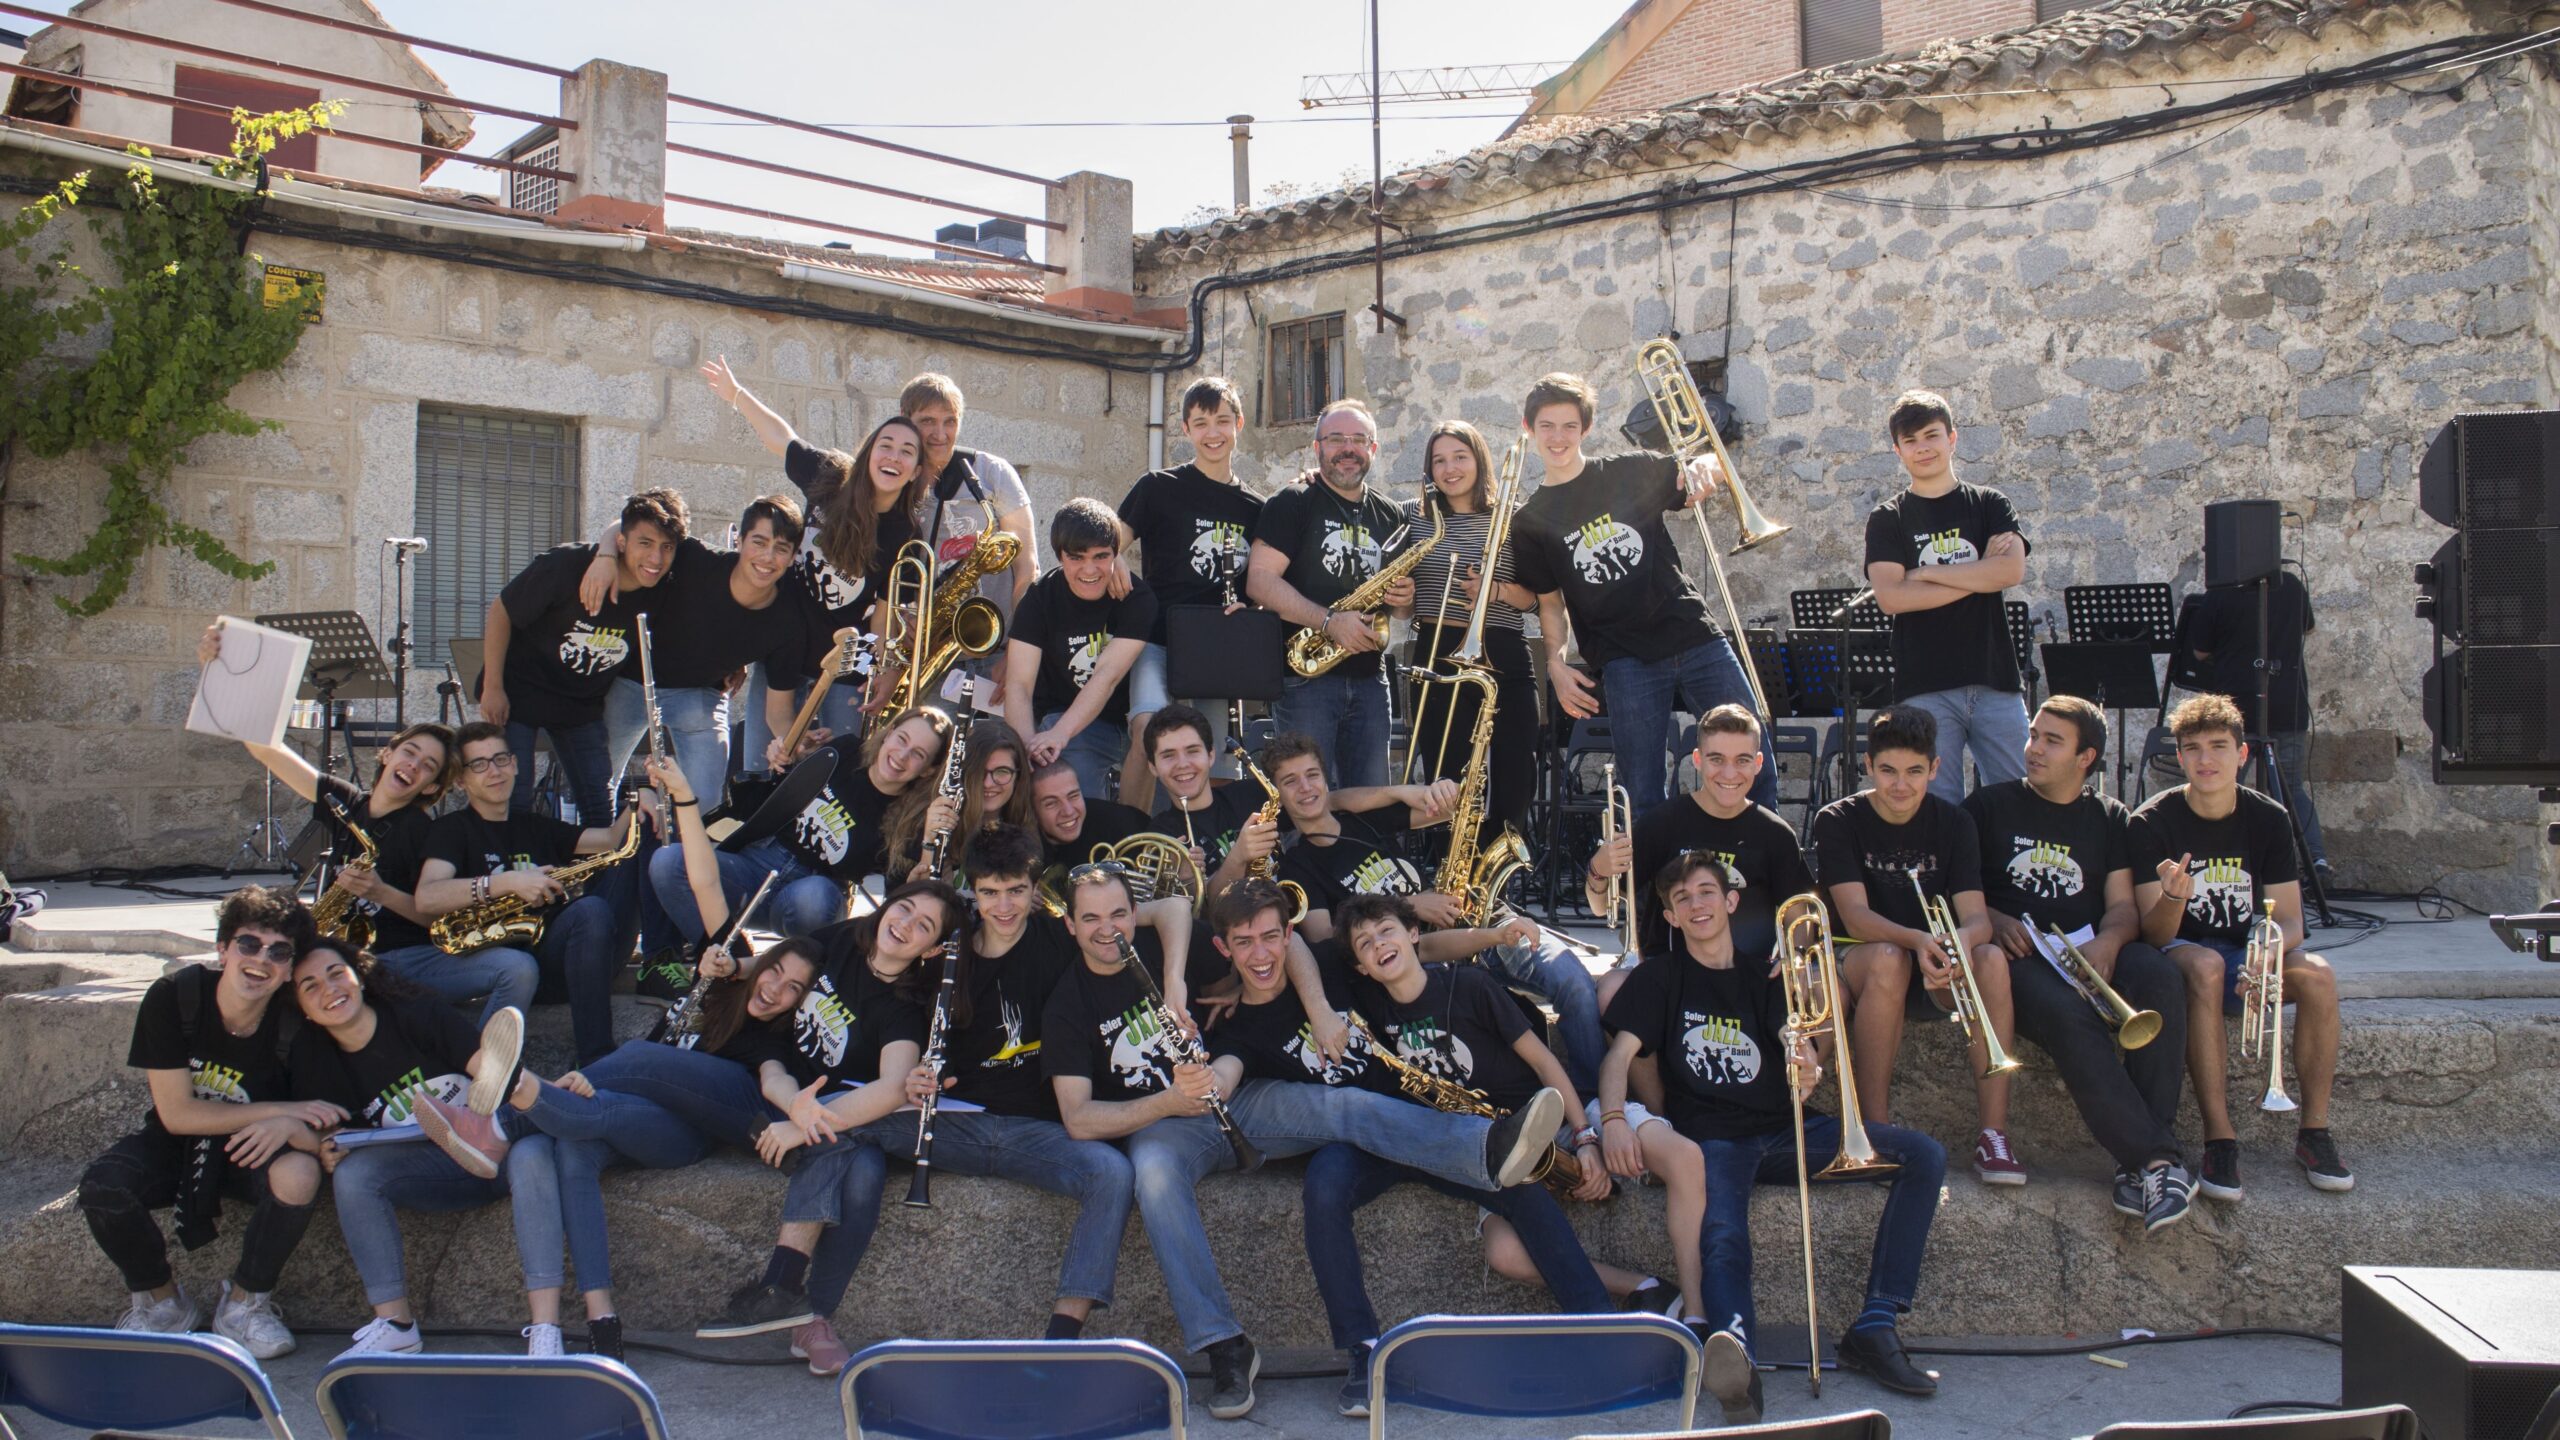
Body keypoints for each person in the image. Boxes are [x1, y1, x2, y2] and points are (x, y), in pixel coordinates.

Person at [1043, 867, 1564, 1420]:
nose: (1109, 929)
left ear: (1134, 912)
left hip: (1242, 1091)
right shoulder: (1067, 1004)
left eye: (1119, 913)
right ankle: (1224, 1347)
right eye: (1092, 918)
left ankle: (1483, 1148)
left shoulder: (1162, 937)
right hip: (1165, 1121)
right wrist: (1171, 1102)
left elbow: (1265, 934)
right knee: (1153, 1178)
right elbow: (1079, 1120)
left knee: (1342, 1107)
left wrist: (1178, 985)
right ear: (1070, 926)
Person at [1201, 880, 1631, 1418]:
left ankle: (1598, 1328)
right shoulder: (1237, 1023)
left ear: (1288, 936)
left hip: (1427, 1121)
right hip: (1359, 1143)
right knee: (1324, 1190)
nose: (1261, 953)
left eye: (1271, 938)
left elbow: (1421, 947)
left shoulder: (1332, 968)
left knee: (1517, 1186)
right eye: (1244, 943)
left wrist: (1493, 936)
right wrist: (1207, 1081)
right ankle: (1361, 1352)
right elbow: (1230, 1066)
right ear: (1225, 949)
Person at [1600, 854, 1948, 1421]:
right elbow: (1619, 1056)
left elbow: (1796, 1039)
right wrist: (1614, 1120)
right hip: (1715, 1140)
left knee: (1925, 1155)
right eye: (1682, 898)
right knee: (1723, 1235)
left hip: (1788, 1130)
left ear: (1731, 901)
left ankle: (1876, 1324)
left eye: (1706, 892)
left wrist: (1806, 1062)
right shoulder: (1661, 976)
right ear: (1670, 914)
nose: (1697, 905)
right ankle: (1737, 1355)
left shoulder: (1763, 972)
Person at [841, 826, 1145, 1347]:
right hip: (962, 1122)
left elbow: (1167, 914)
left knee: (1113, 1174)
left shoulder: (1062, 938)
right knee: (844, 1126)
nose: (1003, 907)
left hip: (1040, 1131)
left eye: (1016, 892)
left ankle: (1062, 1338)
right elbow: (899, 1027)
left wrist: (1182, 981)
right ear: (971, 891)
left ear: (1035, 890)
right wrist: (914, 1075)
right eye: (988, 893)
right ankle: (797, 1290)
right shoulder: (944, 956)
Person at [1264, 731, 1610, 1099]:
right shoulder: (1297, 868)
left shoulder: (1360, 819)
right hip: (1422, 959)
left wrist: (1430, 790)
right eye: (1290, 781)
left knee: (1573, 980)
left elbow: (1452, 809)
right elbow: (1324, 939)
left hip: (1475, 919)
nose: (1305, 788)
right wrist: (1412, 907)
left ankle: (1594, 1102)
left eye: (1312, 775)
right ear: (1278, 795)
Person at [691, 890, 950, 1371]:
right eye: (904, 910)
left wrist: (800, 1124)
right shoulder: (844, 939)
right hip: (770, 1077)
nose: (905, 925)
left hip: (827, 1115)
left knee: (865, 1170)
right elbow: (781, 961)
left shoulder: (902, 1009)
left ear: (931, 950)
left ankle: (797, 1301)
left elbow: (896, 1089)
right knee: (844, 1146)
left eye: (925, 927)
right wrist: (733, 969)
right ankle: (794, 1300)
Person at [1966, 696, 2196, 1230]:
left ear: (2085, 757)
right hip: (2018, 958)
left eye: (2051, 741)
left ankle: (2139, 1161)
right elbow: (1964, 894)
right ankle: (2158, 1161)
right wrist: (1997, 919)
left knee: (2160, 976)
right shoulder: (1988, 806)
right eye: (2033, 736)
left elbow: (2121, 907)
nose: (2034, 749)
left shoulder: (2110, 817)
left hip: (2090, 950)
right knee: (2070, 1016)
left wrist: (2110, 946)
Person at [75, 887, 332, 1358]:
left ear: (291, 969)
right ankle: (162, 1303)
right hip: (178, 1140)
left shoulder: (297, 1021)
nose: (261, 960)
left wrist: (290, 1125)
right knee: (102, 1188)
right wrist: (279, 1110)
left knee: (300, 1173)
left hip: (251, 1148)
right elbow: (177, 1115)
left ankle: (243, 1306)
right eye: (248, 944)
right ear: (222, 948)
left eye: (279, 952)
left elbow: (321, 1120)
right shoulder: (175, 996)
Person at [1506, 372, 1779, 814]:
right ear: (1528, 428)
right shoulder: (1530, 520)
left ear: (1586, 429)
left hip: (1693, 635)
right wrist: (1555, 663)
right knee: (1642, 791)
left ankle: (1765, 875)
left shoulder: (1629, 471)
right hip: (1624, 659)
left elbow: (1696, 468)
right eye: (1547, 426)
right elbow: (1551, 602)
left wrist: (1704, 466)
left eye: (1570, 426)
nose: (1559, 438)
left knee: (1754, 761)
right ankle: (1656, 883)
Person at [286, 943, 561, 1359]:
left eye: (336, 973)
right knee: (354, 1174)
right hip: (436, 1169)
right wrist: (328, 1151)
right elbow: (331, 1137)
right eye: (310, 986)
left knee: (534, 1154)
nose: (329, 989)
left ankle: (545, 1331)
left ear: (358, 974)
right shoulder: (316, 1060)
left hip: (505, 1155)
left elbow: (494, 1073)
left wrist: (550, 1094)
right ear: (302, 1009)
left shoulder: (415, 1013)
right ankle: (396, 1325)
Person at [2130, 693, 2351, 1199]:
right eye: (2193, 749)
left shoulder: (2268, 817)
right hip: (2186, 951)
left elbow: (2291, 919)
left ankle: (2315, 1131)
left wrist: (2267, 950)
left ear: (2242, 754)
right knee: (2206, 965)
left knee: (2318, 974)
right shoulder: (2152, 821)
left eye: (2218, 746)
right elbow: (2153, 934)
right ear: (2179, 757)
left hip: (2247, 951)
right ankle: (2219, 1139)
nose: (2206, 760)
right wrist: (2171, 897)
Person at [1810, 706, 2024, 1184]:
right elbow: (1856, 917)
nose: (1900, 786)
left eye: (1913, 772)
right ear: (1867, 766)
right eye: (1887, 771)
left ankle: (1994, 1136)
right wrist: (1918, 939)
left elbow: (1976, 919)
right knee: (1888, 959)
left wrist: (1958, 943)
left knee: (1988, 958)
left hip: (1934, 968)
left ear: (1935, 768)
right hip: (1868, 961)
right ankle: (1877, 1132)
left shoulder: (1954, 822)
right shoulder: (1839, 819)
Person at [700, 357, 929, 757]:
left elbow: (882, 611)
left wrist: (884, 670)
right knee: (762, 764)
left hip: (842, 664)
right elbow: (781, 438)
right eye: (886, 445)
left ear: (914, 471)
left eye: (906, 452)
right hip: (781, 648)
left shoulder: (907, 533)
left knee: (836, 766)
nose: (894, 457)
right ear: (868, 453)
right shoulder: (829, 477)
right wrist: (737, 394)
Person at [198, 620, 454, 960]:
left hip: (387, 955)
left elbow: (439, 918)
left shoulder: (424, 833)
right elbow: (266, 749)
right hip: (333, 942)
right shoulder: (343, 801)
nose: (413, 765)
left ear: (432, 786)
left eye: (428, 765)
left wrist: (382, 892)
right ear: (388, 753)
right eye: (409, 752)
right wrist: (219, 669)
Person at [406, 722, 642, 1065]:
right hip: (515, 968)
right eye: (479, 764)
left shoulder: (534, 825)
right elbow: (427, 897)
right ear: (460, 780)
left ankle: (660, 963)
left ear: (516, 764)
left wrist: (639, 805)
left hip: (562, 954)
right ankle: (597, 1059)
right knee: (590, 910)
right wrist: (504, 883)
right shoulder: (452, 830)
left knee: (633, 850)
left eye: (501, 759)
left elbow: (608, 841)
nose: (495, 771)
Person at [649, 704, 952, 942]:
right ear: (890, 732)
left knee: (815, 896)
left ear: (928, 770)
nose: (901, 755)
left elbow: (898, 892)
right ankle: (719, 956)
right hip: (756, 864)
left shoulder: (910, 820)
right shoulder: (845, 751)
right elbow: (780, 791)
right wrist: (786, 759)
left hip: (811, 895)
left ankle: (792, 964)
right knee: (668, 861)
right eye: (901, 739)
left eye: (918, 755)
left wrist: (925, 854)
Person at [584, 495, 811, 811]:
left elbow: (778, 712)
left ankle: (684, 861)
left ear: (793, 556)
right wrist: (605, 556)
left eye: (781, 549)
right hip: (634, 682)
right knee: (595, 784)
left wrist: (798, 743)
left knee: (708, 806)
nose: (767, 557)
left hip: (701, 695)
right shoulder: (696, 558)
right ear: (739, 540)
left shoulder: (788, 622)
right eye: (759, 542)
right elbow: (630, 528)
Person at [1864, 389, 2030, 804]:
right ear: (1898, 450)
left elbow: (2009, 571)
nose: (1923, 448)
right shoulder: (1888, 518)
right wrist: (1978, 575)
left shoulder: (1990, 503)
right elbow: (1892, 599)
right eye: (1911, 441)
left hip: (1995, 681)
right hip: (1926, 685)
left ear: (1952, 438)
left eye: (1931, 436)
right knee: (1939, 807)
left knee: (2017, 799)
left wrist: (1928, 573)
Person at [479, 489, 687, 821]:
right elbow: (501, 611)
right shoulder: (567, 564)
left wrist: (731, 663)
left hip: (580, 706)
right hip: (520, 691)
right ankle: (510, 873)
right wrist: (492, 687)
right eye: (645, 544)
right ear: (622, 542)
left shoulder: (665, 587)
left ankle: (592, 873)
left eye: (667, 548)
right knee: (512, 801)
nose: (656, 559)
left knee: (599, 807)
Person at [1244, 398, 1412, 790]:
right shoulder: (1292, 501)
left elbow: (1403, 613)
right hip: (1306, 680)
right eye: (1336, 439)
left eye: (1358, 439)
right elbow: (1260, 582)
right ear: (1317, 448)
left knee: (1372, 797)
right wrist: (1329, 622)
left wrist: (1406, 598)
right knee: (1309, 799)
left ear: (1373, 449)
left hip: (1372, 680)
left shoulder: (1391, 514)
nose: (1347, 449)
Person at [1113, 376, 1264, 808]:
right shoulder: (1158, 486)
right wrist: (1116, 556)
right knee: (1148, 729)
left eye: (1221, 421)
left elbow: (1260, 582)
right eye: (1201, 423)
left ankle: (1205, 849)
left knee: (1211, 756)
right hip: (1157, 635)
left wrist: (1248, 607)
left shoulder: (1257, 507)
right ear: (1186, 430)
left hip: (1217, 645)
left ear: (1238, 424)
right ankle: (1132, 837)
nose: (1212, 433)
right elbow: (1109, 544)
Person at [1586, 703, 1813, 970]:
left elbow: (1800, 920)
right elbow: (1602, 909)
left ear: (1758, 763)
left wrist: (1797, 957)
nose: (1729, 773)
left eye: (1742, 760)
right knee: (1609, 993)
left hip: (1748, 978)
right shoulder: (1663, 822)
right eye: (1716, 759)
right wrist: (1598, 869)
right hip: (1669, 973)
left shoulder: (1776, 834)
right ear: (1697, 759)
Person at [1402, 419, 1539, 839]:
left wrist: (1493, 590)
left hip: (1502, 647)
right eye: (1439, 460)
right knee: (1446, 774)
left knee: (1516, 769)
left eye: (1460, 457)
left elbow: (1535, 598)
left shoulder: (1513, 517)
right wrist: (1403, 595)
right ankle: (1452, 878)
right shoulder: (1414, 516)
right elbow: (1404, 609)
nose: (1450, 468)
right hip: (1436, 645)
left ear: (1479, 460)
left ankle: (1498, 878)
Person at [1005, 497, 1156, 806]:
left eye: (1101, 556)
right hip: (1065, 719)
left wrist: (1060, 734)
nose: (1090, 569)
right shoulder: (1039, 597)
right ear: (1060, 556)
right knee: (1072, 802)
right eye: (1077, 558)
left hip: (1126, 721)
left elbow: (1107, 676)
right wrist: (1026, 747)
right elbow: (1019, 684)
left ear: (1116, 554)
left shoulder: (1137, 598)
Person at [2183, 570, 2325, 874]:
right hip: (2288, 701)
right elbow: (2307, 628)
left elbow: (2200, 651)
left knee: (2222, 787)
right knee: (2292, 788)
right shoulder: (2292, 585)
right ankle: (2317, 862)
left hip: (2236, 708)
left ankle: (2213, 864)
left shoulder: (2220, 592)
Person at [1146, 704, 1273, 901]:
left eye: (1192, 751)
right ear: (1153, 767)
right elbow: (1205, 916)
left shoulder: (1252, 794)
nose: (1183, 764)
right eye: (1168, 755)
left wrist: (1333, 800)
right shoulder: (1158, 841)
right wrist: (1188, 885)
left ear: (1211, 755)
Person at [884, 717, 1032, 883]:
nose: (988, 783)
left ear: (1018, 775)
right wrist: (929, 846)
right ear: (962, 773)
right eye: (979, 772)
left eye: (1002, 771)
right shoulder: (923, 822)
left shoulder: (1027, 823)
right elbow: (898, 900)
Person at [1029, 759, 1152, 872]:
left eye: (1073, 796)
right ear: (1031, 809)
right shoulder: (1022, 847)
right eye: (1051, 803)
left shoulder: (1120, 822)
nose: (1068, 811)